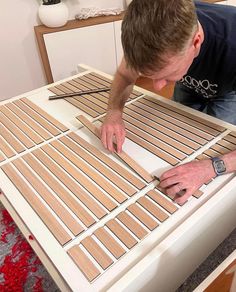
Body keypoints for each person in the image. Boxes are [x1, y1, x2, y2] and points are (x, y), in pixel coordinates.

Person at [101, 0, 236, 204]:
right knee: (180, 134)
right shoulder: (149, 34)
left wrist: (212, 167)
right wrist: (113, 113)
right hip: (194, 78)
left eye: (167, 75)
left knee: (216, 144)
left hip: (230, 85)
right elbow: (124, 74)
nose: (158, 87)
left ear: (196, 41)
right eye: (151, 75)